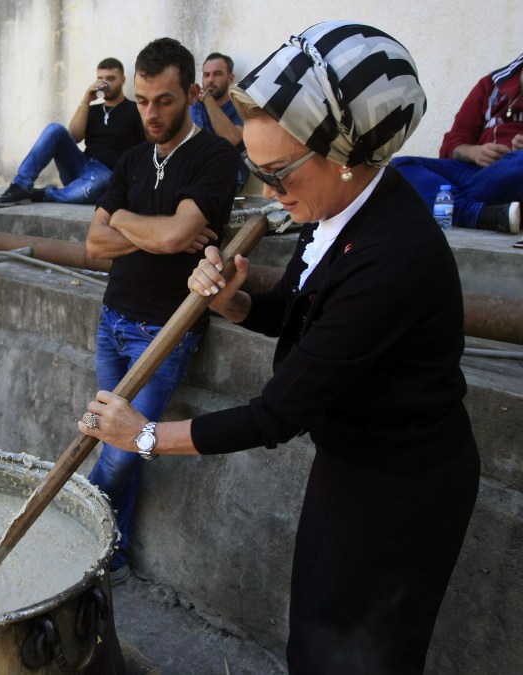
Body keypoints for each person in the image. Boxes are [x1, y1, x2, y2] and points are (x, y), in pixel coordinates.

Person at [78, 22, 479, 674]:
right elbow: (298, 313)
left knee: (359, 656)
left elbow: (276, 414)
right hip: (347, 463)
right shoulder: (333, 208)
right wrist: (233, 300)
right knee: (313, 635)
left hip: (403, 488)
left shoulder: (392, 256)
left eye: (278, 172)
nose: (268, 194)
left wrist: (145, 435)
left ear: (348, 153)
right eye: (259, 172)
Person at [84, 38, 240, 585]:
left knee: (120, 449)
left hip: (164, 332)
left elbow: (177, 236)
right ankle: (114, 558)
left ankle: (76, 534)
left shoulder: (216, 157)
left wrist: (125, 220)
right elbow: (93, 245)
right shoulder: (130, 158)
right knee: (116, 440)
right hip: (111, 322)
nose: (151, 113)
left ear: (193, 94)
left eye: (165, 101)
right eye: (144, 100)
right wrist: (150, 229)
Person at [391, 51, 523, 243]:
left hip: (514, 174)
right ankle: (475, 213)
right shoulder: (491, 86)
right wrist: (473, 152)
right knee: (400, 167)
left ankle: (450, 204)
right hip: (476, 174)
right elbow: (451, 145)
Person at [0, 58, 145, 207]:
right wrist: (86, 100)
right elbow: (74, 137)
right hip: (82, 167)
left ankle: (42, 194)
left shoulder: (135, 110)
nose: (105, 83)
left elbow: (145, 149)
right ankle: (20, 185)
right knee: (55, 129)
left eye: (111, 79)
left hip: (108, 174)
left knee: (99, 183)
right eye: (100, 78)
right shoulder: (91, 110)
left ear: (123, 80)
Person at [189, 52, 249, 190]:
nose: (210, 80)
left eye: (217, 74)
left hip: (231, 174)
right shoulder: (195, 105)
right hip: (199, 173)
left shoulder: (240, 106)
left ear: (230, 78)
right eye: (206, 74)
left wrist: (209, 100)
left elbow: (230, 139)